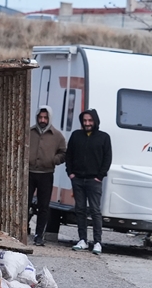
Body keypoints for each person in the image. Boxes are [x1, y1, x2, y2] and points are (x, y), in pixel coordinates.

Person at [65, 108, 112, 255]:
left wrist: (100, 176)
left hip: (94, 180)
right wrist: (70, 173)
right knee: (80, 210)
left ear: (95, 121)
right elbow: (69, 155)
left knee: (95, 211)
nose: (87, 123)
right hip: (77, 179)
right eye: (85, 120)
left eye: (90, 120)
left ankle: (97, 242)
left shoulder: (104, 137)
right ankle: (82, 240)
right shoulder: (76, 135)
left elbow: (107, 158)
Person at [27, 107, 66, 246]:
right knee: (25, 204)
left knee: (43, 206)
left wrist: (54, 160)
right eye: (40, 117)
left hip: (46, 174)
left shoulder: (57, 136)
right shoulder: (29, 132)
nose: (42, 120)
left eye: (45, 117)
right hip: (29, 173)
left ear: (49, 118)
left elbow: (63, 153)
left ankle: (39, 235)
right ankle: (22, 232)